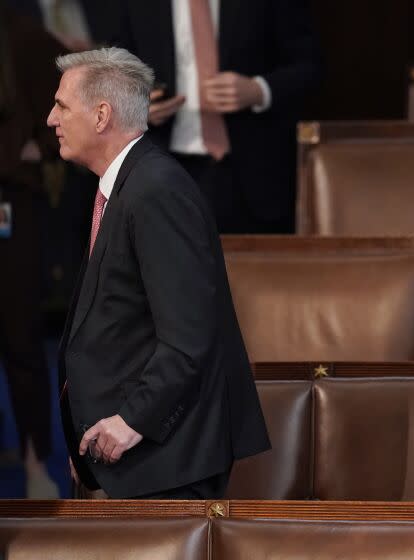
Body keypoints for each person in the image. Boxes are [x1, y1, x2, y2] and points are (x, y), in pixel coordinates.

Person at [47, 47, 270, 499]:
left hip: (169, 465)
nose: (52, 119)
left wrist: (132, 422)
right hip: (131, 463)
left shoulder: (156, 192)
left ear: (101, 115)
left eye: (62, 106)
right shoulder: (129, 184)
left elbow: (189, 339)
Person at [107, 0, 322, 234]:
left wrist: (259, 90)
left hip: (255, 176)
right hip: (161, 172)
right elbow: (111, 71)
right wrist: (136, 106)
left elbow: (308, 65)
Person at [0, 0, 64, 498]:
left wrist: (36, 145)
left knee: (21, 341)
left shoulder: (23, 37)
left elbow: (77, 97)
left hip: (13, 207)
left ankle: (38, 463)